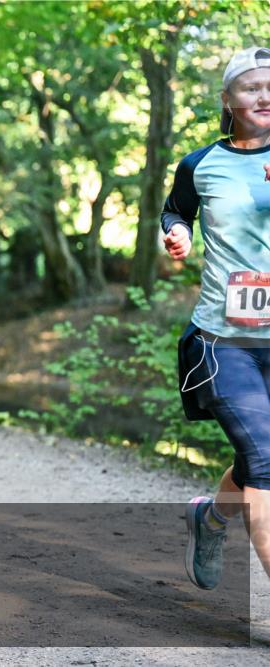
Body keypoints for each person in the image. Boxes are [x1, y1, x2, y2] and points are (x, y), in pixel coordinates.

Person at [163, 46, 270, 589]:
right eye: (252, 86)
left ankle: (208, 520)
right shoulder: (200, 162)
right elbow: (176, 208)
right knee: (267, 461)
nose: (264, 95)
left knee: (257, 461)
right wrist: (177, 232)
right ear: (228, 99)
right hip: (223, 340)